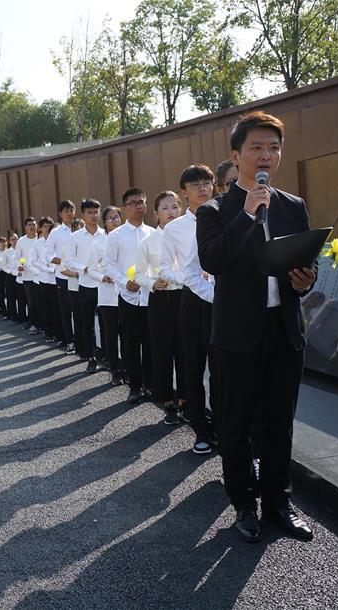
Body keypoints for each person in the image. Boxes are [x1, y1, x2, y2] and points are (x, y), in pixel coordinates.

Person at [197, 110, 317, 543]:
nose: (266, 155)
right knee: (236, 423)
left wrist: (306, 281)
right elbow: (213, 260)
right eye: (257, 147)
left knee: (279, 422)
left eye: (274, 147)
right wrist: (246, 215)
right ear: (236, 154)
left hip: (283, 330)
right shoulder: (214, 209)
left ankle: (278, 504)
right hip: (236, 334)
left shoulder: (293, 206)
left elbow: (306, 262)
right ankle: (244, 505)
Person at [159, 167, 217, 454]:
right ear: (184, 191)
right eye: (195, 184)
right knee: (193, 368)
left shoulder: (226, 217)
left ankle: (222, 426)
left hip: (223, 300)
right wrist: (192, 278)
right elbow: (164, 269)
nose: (203, 188)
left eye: (207, 182)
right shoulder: (174, 228)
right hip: (191, 301)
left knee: (222, 369)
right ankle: (200, 430)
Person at [138, 191, 186, 424]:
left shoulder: (189, 235)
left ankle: (187, 401)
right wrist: (151, 282)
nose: (171, 212)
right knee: (163, 351)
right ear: (156, 213)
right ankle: (168, 402)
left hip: (186, 298)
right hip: (160, 300)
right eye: (165, 208)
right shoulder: (148, 241)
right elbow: (137, 272)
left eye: (175, 207)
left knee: (187, 352)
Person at [104, 189, 155, 403]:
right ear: (124, 209)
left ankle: (152, 385)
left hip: (152, 295)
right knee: (132, 342)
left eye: (142, 202)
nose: (139, 206)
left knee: (151, 342)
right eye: (133, 203)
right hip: (129, 296)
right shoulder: (116, 235)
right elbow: (108, 265)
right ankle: (134, 385)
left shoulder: (153, 233)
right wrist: (125, 282)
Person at [67, 199, 106, 373]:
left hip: (105, 285)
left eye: (96, 211)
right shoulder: (74, 237)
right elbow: (68, 261)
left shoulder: (106, 235)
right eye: (90, 212)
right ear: (83, 214)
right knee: (87, 323)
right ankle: (90, 357)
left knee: (107, 324)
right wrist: (84, 269)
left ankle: (106, 356)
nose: (94, 215)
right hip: (85, 284)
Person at [93, 205, 124, 384]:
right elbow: (90, 268)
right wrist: (103, 277)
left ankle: (128, 368)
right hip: (107, 295)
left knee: (128, 334)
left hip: (129, 292)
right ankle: (115, 370)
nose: (114, 220)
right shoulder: (99, 243)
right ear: (104, 222)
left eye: (117, 217)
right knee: (111, 334)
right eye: (110, 218)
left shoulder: (127, 238)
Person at [47, 200, 77, 353]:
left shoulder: (80, 229)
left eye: (72, 210)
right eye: (66, 211)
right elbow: (48, 255)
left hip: (80, 277)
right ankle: (69, 341)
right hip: (63, 277)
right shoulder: (56, 232)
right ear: (60, 214)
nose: (70, 213)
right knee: (66, 311)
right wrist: (64, 262)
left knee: (80, 312)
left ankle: (82, 343)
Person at [16, 218, 40, 334]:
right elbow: (17, 258)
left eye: (33, 225)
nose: (32, 227)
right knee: (32, 302)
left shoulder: (40, 239)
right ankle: (33, 324)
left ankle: (42, 324)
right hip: (27, 276)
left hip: (41, 275)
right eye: (29, 225)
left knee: (41, 302)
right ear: (25, 227)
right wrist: (19, 266)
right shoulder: (21, 241)